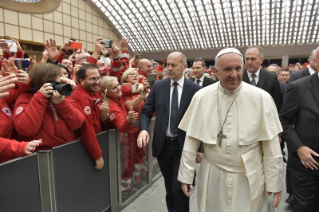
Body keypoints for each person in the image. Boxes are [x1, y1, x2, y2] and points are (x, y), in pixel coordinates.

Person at [177, 48, 283, 212]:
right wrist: (186, 174)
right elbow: (191, 139)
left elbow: (271, 145)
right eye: (227, 69)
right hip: (212, 173)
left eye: (238, 69)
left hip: (248, 176)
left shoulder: (262, 98)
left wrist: (274, 182)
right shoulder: (202, 97)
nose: (234, 75)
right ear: (216, 71)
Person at [137, 52, 201, 212]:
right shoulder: (159, 87)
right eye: (167, 65)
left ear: (184, 67)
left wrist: (200, 148)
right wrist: (144, 129)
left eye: (174, 65)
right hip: (163, 145)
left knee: (179, 187)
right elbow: (146, 112)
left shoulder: (195, 90)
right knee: (170, 187)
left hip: (184, 146)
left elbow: (201, 121)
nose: (169, 68)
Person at [279, 46, 319, 211]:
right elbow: (284, 121)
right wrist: (299, 148)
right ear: (315, 62)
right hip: (307, 165)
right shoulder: (299, 87)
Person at [13, 63, 85, 152]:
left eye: (59, 82)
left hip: (66, 149)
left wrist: (62, 104)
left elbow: (78, 123)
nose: (58, 85)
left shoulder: (61, 96)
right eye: (54, 83)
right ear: (41, 84)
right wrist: (40, 98)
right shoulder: (25, 98)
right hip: (39, 154)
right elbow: (26, 130)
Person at [100, 75, 140, 193]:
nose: (119, 88)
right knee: (122, 163)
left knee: (128, 160)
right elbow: (122, 127)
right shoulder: (111, 106)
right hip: (117, 141)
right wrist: (128, 120)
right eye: (114, 87)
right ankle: (123, 188)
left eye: (118, 85)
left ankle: (126, 185)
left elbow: (125, 89)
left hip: (122, 140)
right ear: (107, 92)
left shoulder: (118, 97)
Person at [71, 63, 108, 170]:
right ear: (81, 80)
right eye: (92, 79)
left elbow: (96, 120)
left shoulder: (92, 93)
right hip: (85, 147)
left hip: (94, 142)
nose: (97, 82)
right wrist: (97, 155)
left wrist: (104, 117)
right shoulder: (81, 97)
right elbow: (87, 128)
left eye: (98, 78)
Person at [243, 46, 282, 111]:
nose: (249, 62)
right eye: (247, 59)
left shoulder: (272, 77)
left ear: (261, 60)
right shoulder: (238, 77)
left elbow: (276, 104)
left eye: (253, 59)